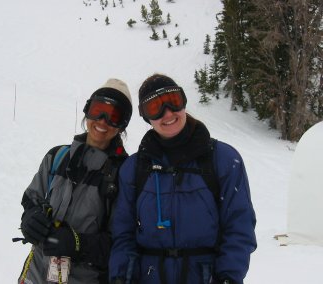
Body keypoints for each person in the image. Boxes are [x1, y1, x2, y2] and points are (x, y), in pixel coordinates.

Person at [109, 74, 257, 284]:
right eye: (155, 107)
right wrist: (121, 278)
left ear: (183, 102)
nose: (167, 113)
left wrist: (229, 277)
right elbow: (123, 233)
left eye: (173, 101)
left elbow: (239, 227)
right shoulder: (135, 168)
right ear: (146, 117)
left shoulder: (222, 159)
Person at [16, 79, 133, 284]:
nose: (103, 121)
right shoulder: (57, 157)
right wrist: (31, 218)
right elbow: (31, 198)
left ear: (122, 124)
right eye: (98, 110)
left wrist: (78, 244)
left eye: (114, 116)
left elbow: (123, 242)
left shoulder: (124, 174)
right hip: (34, 275)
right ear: (88, 110)